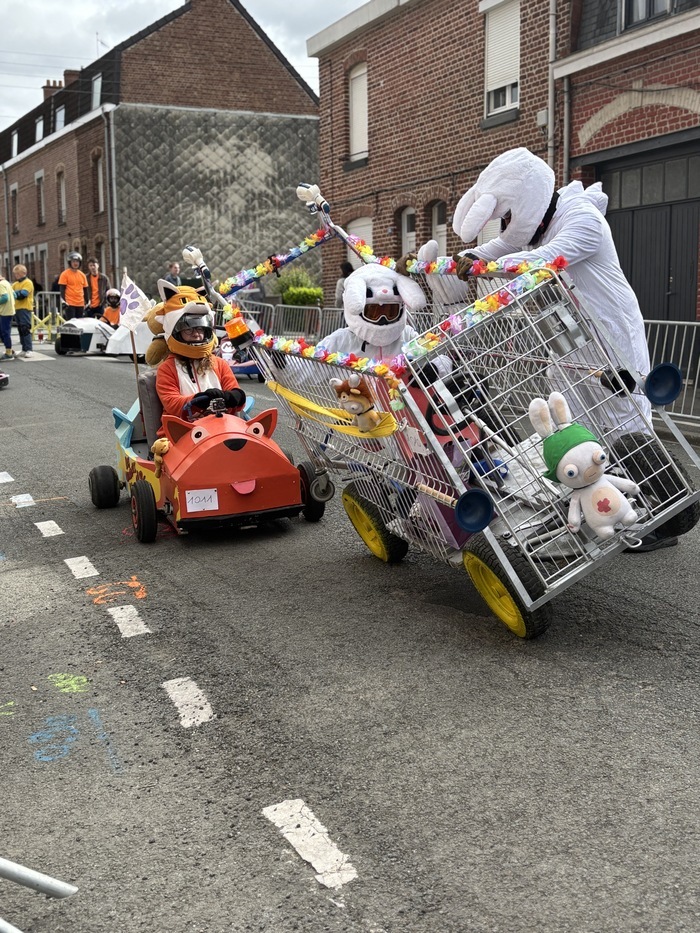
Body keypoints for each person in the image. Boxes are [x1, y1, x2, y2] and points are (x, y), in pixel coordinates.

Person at [443, 146, 674, 552]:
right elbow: (501, 251)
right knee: (582, 420)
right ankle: (608, 504)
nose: (508, 227)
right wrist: (466, 259)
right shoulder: (546, 223)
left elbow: (543, 261)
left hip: (610, 335)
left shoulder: (581, 218)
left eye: (510, 216)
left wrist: (483, 264)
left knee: (626, 420)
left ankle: (666, 514)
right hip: (572, 340)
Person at [154, 283, 246, 428]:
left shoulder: (220, 363)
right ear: (177, 331)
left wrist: (233, 397)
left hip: (220, 427)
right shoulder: (167, 368)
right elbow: (172, 404)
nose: (196, 334)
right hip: (182, 430)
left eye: (200, 328)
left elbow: (236, 393)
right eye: (189, 329)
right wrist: (200, 400)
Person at [11, 264, 34, 358]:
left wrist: (14, 293)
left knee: (25, 328)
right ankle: (24, 348)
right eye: (15, 274)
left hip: (25, 308)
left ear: (24, 273)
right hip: (17, 308)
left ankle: (29, 349)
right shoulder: (15, 284)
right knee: (20, 329)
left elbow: (22, 295)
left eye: (18, 274)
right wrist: (16, 293)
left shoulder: (28, 282)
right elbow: (11, 293)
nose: (16, 276)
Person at [58, 252, 89, 320]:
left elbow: (85, 289)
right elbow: (62, 289)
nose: (75, 263)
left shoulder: (82, 275)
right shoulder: (64, 274)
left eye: (77, 261)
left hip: (80, 303)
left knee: (80, 323)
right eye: (73, 261)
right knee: (72, 324)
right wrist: (63, 301)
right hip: (70, 303)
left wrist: (87, 301)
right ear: (70, 263)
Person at [0, 272, 16, 361]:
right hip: (9, 311)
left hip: (4, 312)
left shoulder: (1, 285)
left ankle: (9, 353)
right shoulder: (7, 283)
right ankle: (9, 349)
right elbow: (14, 295)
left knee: (5, 332)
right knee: (4, 332)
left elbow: (5, 298)